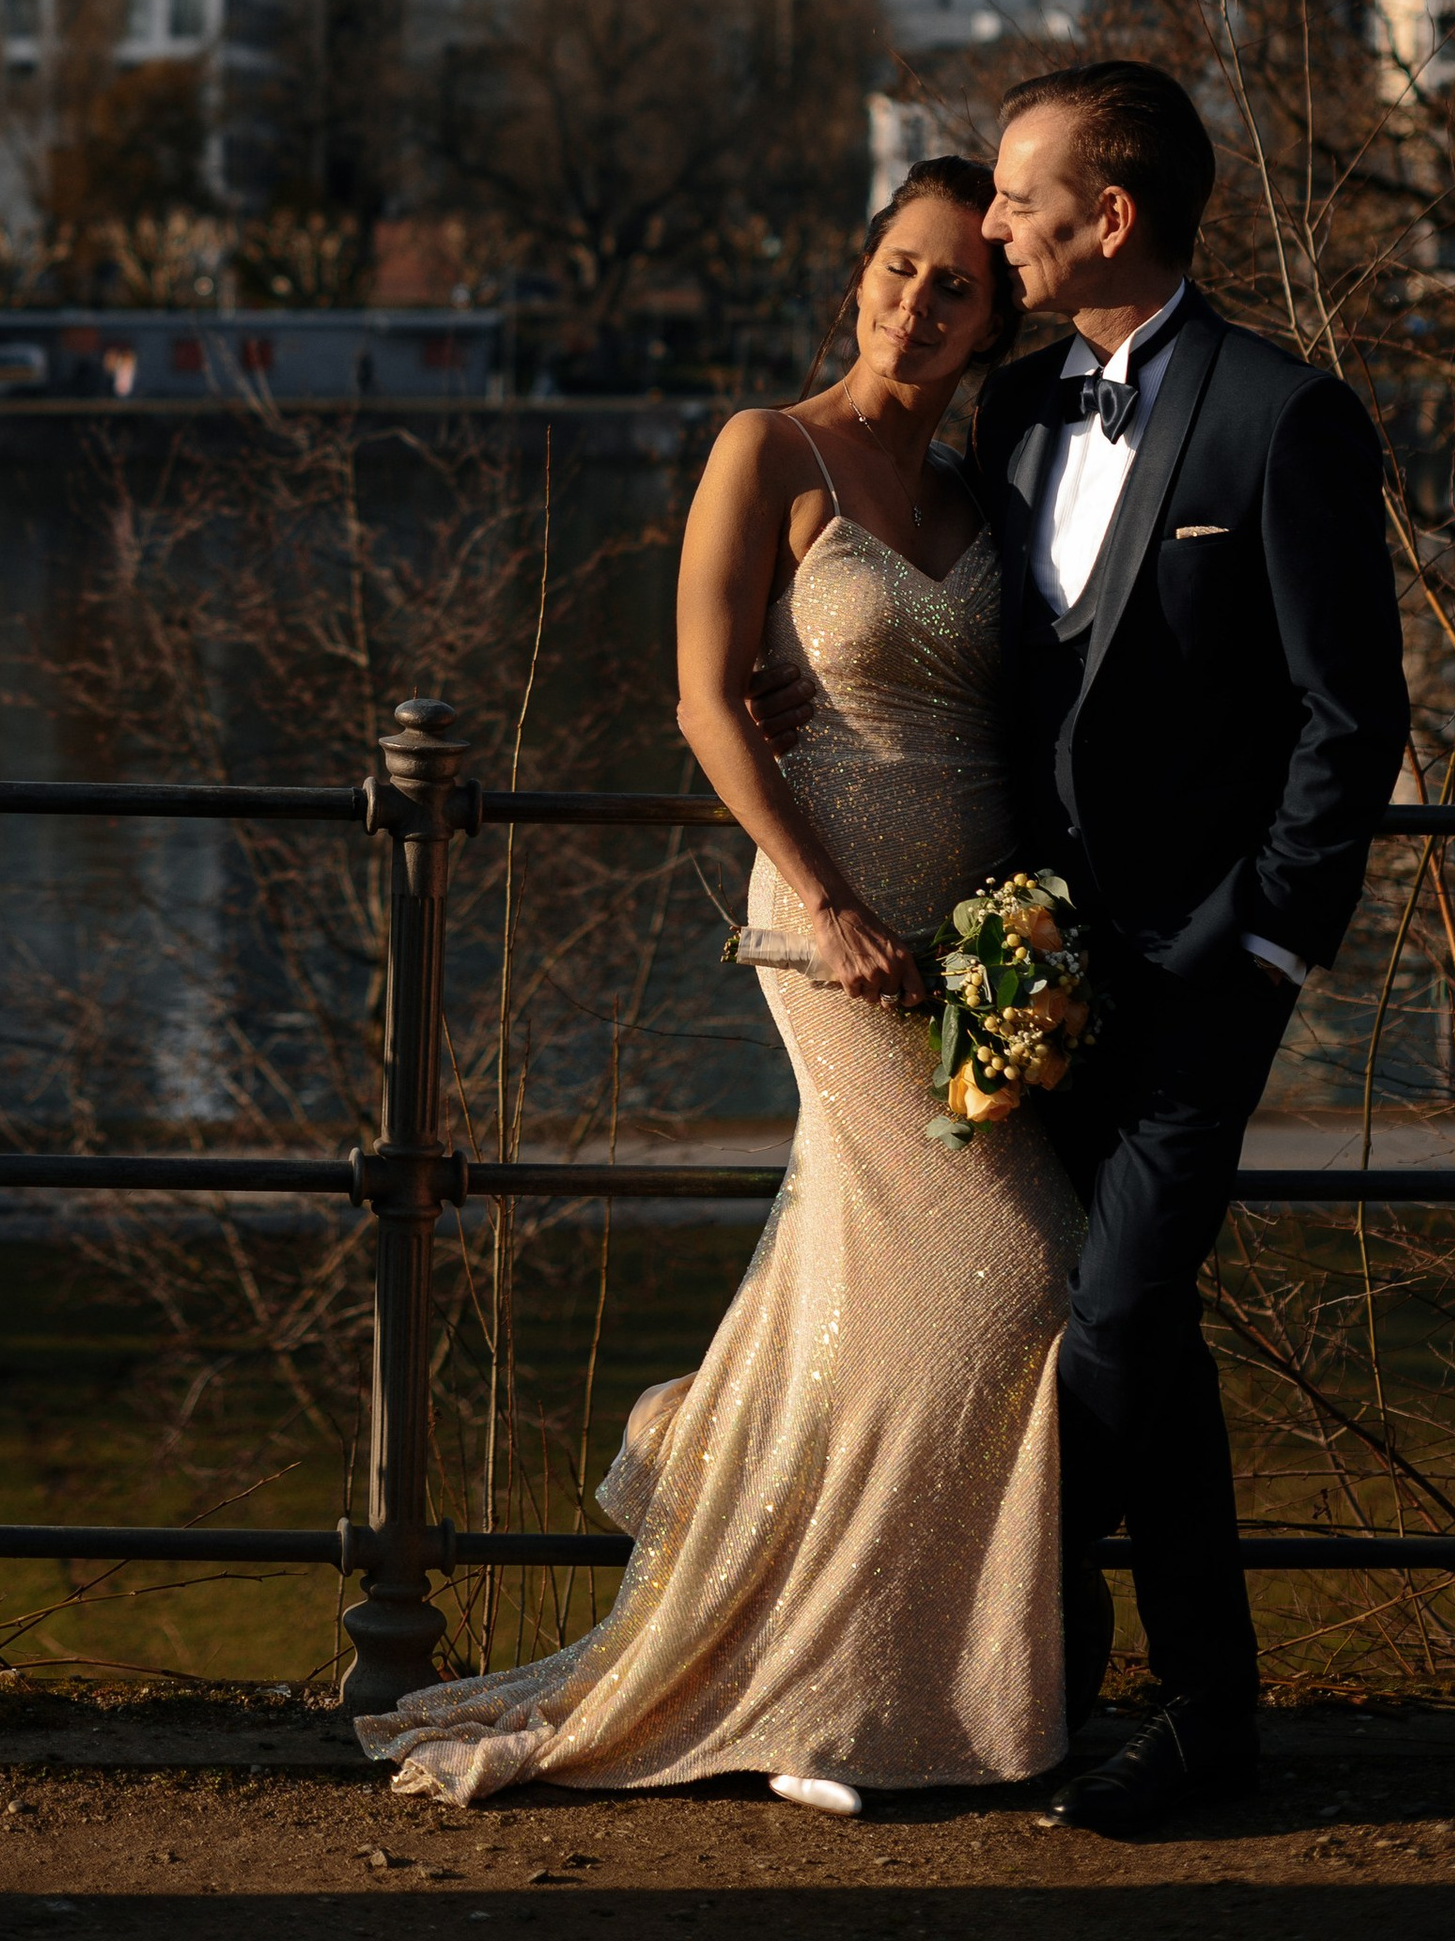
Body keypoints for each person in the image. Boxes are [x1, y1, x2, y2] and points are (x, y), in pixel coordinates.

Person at [358, 157, 1081, 1812]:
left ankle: (869, 1687)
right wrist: (826, 904)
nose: (920, 301)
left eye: (957, 284)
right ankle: (825, 1675)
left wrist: (1029, 930)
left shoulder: (983, 496)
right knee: (1016, 1277)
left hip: (980, 945)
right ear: (858, 278)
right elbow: (704, 703)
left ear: (992, 319)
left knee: (901, 1294)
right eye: (900, 267)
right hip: (834, 939)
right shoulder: (769, 452)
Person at [960, 59, 1407, 1837]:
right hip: (1027, 980)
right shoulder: (1006, 413)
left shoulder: (1284, 415)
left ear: (1110, 215)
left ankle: (1099, 1692)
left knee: (1120, 1318)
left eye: (1014, 196)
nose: (993, 226)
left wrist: (1270, 948)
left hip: (1206, 980)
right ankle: (1173, 1711)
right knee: (1142, 1348)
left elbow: (1349, 717)